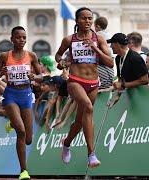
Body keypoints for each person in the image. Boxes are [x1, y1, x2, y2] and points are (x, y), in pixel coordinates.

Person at [55, 7, 113, 168]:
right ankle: (91, 155)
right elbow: (58, 56)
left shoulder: (99, 39)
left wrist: (94, 48)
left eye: (90, 18)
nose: (87, 21)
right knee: (88, 107)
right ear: (77, 21)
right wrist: (62, 62)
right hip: (74, 81)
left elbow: (110, 62)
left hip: (93, 83)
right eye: (84, 18)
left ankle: (66, 143)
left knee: (80, 121)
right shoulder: (69, 40)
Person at [0, 26, 40, 180]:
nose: (22, 40)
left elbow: (42, 76)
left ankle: (12, 123)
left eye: (24, 37)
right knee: (21, 131)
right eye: (19, 37)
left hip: (26, 94)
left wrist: (34, 76)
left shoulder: (31, 56)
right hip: (11, 94)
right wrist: (1, 73)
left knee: (28, 139)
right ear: (12, 39)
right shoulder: (5, 56)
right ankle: (23, 171)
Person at [94, 16, 114, 90]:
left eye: (95, 26)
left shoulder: (98, 35)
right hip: (109, 58)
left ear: (98, 26)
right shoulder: (108, 34)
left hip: (102, 59)